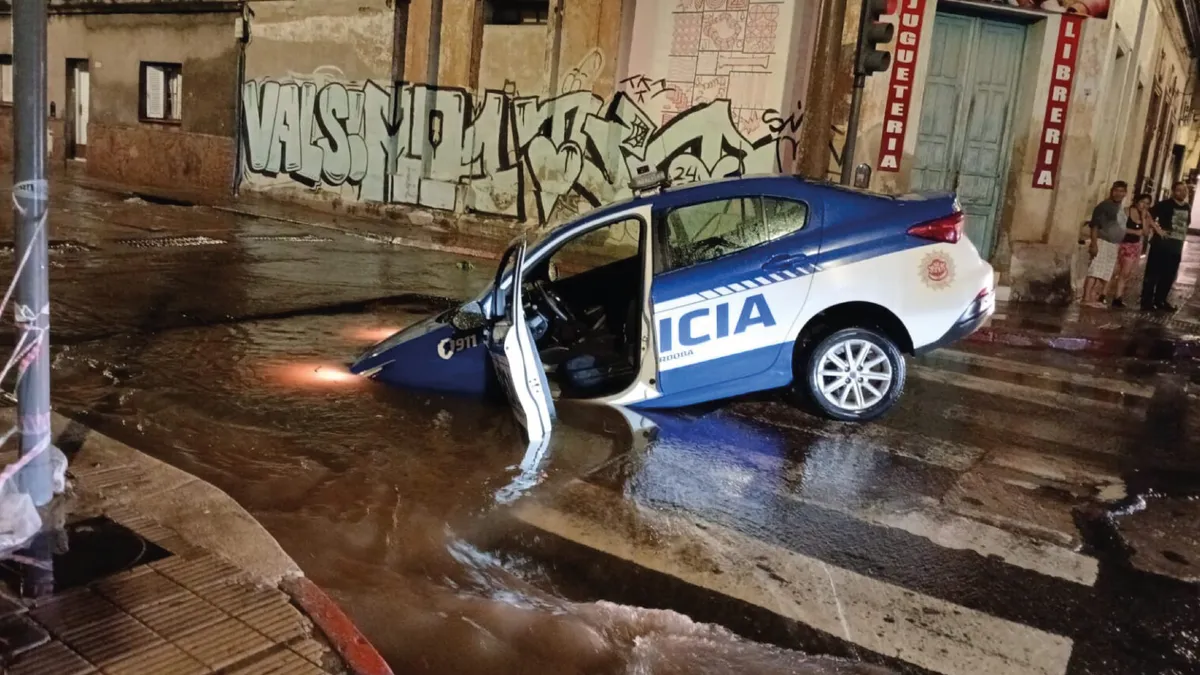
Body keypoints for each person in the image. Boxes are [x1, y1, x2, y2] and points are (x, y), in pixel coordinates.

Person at [1141, 181, 1191, 311]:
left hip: (1176, 246)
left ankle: (1161, 300)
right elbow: (1147, 214)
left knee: (1169, 275)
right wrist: (1157, 229)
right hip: (1161, 244)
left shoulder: (1187, 207)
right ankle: (1147, 302)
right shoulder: (1165, 204)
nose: (1183, 192)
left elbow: (1185, 225)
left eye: (1185, 190)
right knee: (1153, 273)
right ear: (1173, 191)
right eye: (1179, 190)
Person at [1082, 181, 1128, 308]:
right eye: (1116, 190)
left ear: (1125, 193)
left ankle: (1093, 297)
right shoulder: (1104, 206)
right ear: (1112, 191)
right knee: (1095, 269)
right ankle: (1086, 297)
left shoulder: (1119, 207)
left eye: (1121, 191)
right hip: (1103, 241)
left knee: (1104, 272)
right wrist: (1094, 244)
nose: (1118, 194)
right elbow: (1095, 225)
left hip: (1113, 244)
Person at [1109, 193, 1153, 308]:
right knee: (1115, 271)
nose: (1144, 205)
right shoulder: (1126, 211)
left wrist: (1143, 218)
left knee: (1127, 273)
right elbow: (1119, 227)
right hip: (1120, 243)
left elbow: (1146, 232)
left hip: (1134, 246)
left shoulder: (1146, 215)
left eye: (1147, 204)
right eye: (1142, 202)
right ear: (1137, 201)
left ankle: (1118, 297)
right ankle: (1105, 294)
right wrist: (1134, 232)